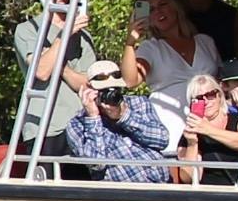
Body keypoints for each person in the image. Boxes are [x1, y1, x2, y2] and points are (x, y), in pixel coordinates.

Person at [54, 60, 185, 181]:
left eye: (116, 89)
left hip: (162, 185)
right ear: (91, 89)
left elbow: (162, 139)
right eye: (105, 91)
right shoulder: (77, 125)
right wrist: (93, 118)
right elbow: (96, 164)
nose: (112, 95)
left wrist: (124, 116)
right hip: (122, 194)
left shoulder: (138, 103)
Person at [11, 0, 100, 148]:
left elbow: (86, 84)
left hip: (81, 126)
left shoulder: (84, 36)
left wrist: (57, 63)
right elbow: (41, 71)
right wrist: (64, 36)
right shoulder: (28, 29)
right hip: (45, 130)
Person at [129, 0, 220, 101]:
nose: (158, 11)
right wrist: (129, 43)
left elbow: (222, 81)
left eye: (163, 4)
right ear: (149, 18)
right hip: (166, 117)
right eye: (151, 9)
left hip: (211, 116)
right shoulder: (150, 47)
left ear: (176, 7)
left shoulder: (205, 41)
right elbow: (131, 81)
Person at [176, 73, 238, 181]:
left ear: (220, 96)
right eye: (199, 98)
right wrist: (192, 144)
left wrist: (208, 130)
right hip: (212, 193)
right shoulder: (191, 132)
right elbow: (189, 179)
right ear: (192, 103)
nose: (206, 102)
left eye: (210, 95)